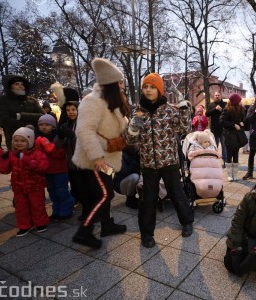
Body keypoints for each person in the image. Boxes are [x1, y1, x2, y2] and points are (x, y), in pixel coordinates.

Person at [125, 73, 194, 249]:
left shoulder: (170, 110)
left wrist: (183, 107)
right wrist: (133, 127)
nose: (148, 90)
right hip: (148, 164)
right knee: (147, 200)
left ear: (159, 90)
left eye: (152, 87)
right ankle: (146, 234)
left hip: (169, 161)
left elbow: (185, 129)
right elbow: (130, 140)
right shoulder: (137, 111)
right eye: (145, 87)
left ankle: (187, 222)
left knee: (177, 194)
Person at [72, 57, 129, 249]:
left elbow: (115, 124)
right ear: (111, 84)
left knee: (106, 192)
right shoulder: (92, 101)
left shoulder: (109, 101)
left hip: (109, 157)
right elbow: (83, 130)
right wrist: (97, 157)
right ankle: (84, 231)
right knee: (104, 194)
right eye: (120, 82)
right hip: (96, 160)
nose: (122, 85)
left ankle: (106, 224)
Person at [0, 127, 49, 236]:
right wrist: (3, 159)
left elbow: (42, 167)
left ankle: (40, 223)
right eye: (16, 141)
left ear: (30, 141)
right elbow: (4, 170)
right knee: (21, 207)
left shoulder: (37, 154)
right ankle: (24, 226)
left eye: (22, 140)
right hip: (19, 187)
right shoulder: (12, 154)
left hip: (35, 186)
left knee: (37, 205)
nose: (19, 143)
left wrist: (25, 159)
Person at [36, 114, 75, 221]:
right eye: (42, 125)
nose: (44, 127)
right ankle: (56, 211)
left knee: (62, 191)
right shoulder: (38, 138)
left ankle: (66, 211)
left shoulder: (58, 137)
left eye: (47, 125)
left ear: (53, 126)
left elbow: (61, 154)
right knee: (52, 192)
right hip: (47, 171)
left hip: (60, 170)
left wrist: (47, 146)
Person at [0, 75, 44, 150]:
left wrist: (20, 116)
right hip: (15, 140)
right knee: (17, 160)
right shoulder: (1, 101)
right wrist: (29, 125)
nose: (20, 86)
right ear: (10, 87)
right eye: (16, 84)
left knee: (35, 160)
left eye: (22, 84)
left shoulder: (32, 100)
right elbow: (5, 120)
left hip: (34, 137)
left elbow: (43, 116)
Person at [220, 93, 245, 182]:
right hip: (229, 136)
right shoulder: (226, 109)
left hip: (237, 136)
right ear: (235, 102)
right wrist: (233, 125)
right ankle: (229, 175)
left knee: (236, 155)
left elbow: (242, 119)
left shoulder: (241, 109)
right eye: (239, 101)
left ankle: (235, 174)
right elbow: (222, 121)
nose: (241, 102)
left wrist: (242, 123)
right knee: (229, 155)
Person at [113, 145, 141, 209]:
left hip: (128, 180)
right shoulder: (122, 154)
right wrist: (137, 167)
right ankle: (130, 200)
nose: (139, 145)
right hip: (119, 183)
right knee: (135, 177)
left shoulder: (137, 153)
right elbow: (123, 171)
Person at [206, 91, 227, 165]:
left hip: (223, 129)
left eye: (218, 95)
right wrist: (215, 109)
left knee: (224, 146)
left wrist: (221, 110)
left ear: (221, 96)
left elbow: (227, 114)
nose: (217, 96)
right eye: (216, 95)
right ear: (214, 96)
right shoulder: (211, 105)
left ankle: (225, 162)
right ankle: (215, 161)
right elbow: (207, 114)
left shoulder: (225, 104)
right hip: (214, 129)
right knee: (215, 146)